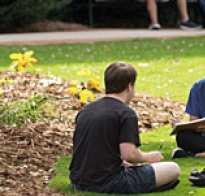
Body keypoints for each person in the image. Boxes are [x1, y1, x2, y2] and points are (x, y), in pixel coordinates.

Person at [69, 61, 181, 193]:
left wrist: (121, 163)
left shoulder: (87, 110)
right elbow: (129, 154)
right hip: (108, 182)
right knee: (173, 169)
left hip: (78, 180)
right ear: (129, 86)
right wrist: (148, 157)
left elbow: (93, 149)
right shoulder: (125, 113)